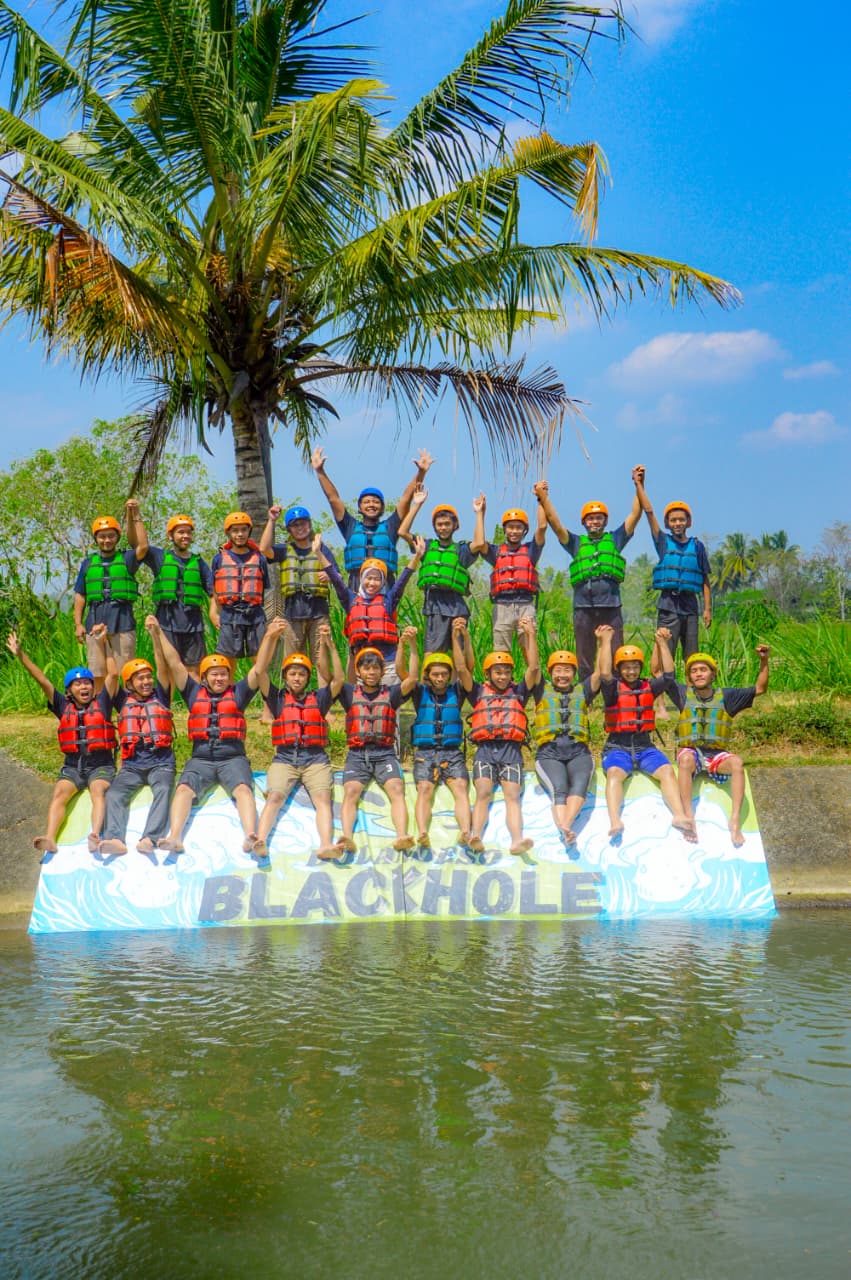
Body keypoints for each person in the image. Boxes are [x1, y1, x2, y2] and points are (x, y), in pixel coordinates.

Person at [152, 619, 275, 854]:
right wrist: (158, 633)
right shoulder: (192, 692)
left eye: (224, 674)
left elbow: (259, 669)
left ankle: (251, 835)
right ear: (204, 677)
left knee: (243, 789)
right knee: (183, 790)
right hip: (201, 759)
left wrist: (270, 636)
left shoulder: (239, 693)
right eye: (214, 675)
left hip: (233, 758)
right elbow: (174, 662)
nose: (219, 679)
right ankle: (175, 836)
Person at [7, 624, 117, 854]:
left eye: (87, 682)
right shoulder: (62, 705)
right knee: (59, 794)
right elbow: (42, 680)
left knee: (98, 791)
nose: (83, 686)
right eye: (78, 683)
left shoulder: (102, 702)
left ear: (92, 687)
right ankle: (50, 838)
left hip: (101, 764)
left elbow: (113, 674)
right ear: (69, 691)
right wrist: (20, 655)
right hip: (73, 766)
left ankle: (95, 834)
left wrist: (105, 643)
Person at [533, 472, 643, 679]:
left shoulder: (615, 539)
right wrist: (544, 497)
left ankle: (614, 690)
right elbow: (555, 524)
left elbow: (635, 515)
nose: (595, 521)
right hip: (583, 607)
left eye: (598, 518)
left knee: (616, 653)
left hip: (611, 606)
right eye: (591, 518)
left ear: (605, 521)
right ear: (584, 522)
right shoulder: (576, 543)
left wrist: (639, 485)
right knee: (585, 655)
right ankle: (587, 691)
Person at [252, 617, 345, 860]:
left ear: (307, 678)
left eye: (302, 674)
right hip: (285, 758)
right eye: (292, 674)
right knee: (275, 797)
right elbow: (259, 671)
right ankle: (260, 840)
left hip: (315, 759)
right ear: (285, 677)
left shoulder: (319, 699)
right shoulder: (277, 698)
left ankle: (326, 844)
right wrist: (270, 637)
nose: (297, 678)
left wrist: (330, 646)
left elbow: (338, 680)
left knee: (323, 799)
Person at [597, 626, 696, 842]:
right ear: (619, 669)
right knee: (614, 773)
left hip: (645, 746)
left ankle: (679, 815)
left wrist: (662, 644)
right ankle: (615, 820)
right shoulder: (612, 689)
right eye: (626, 668)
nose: (631, 672)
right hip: (617, 746)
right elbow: (604, 673)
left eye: (635, 667)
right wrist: (606, 641)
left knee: (667, 770)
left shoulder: (649, 687)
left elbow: (669, 676)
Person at [453, 615, 540, 855]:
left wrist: (530, 634)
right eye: (497, 672)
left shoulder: (519, 692)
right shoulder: (477, 692)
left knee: (512, 796)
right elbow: (461, 668)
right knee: (483, 793)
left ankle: (517, 840)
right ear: (489, 674)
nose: (502, 676)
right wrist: (459, 636)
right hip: (485, 751)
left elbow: (533, 668)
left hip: (511, 751)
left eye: (506, 672)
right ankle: (475, 835)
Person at [670, 646, 770, 847]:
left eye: (703, 670)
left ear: (713, 674)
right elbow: (660, 674)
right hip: (692, 752)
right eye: (694, 671)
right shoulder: (683, 694)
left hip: (716, 755)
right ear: (689, 677)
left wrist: (764, 661)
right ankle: (689, 815)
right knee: (686, 759)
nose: (699, 674)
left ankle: (735, 820)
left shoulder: (727, 696)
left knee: (737, 763)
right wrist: (662, 644)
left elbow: (760, 689)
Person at [99, 617, 176, 856]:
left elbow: (163, 668)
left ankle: (150, 838)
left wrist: (155, 635)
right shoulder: (122, 700)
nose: (146, 682)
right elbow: (112, 674)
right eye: (140, 678)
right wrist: (104, 643)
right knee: (114, 794)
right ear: (130, 684)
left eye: (148, 677)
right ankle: (115, 839)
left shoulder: (161, 696)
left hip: (161, 761)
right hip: (132, 763)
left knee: (164, 789)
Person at [336, 634, 419, 853]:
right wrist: (332, 646)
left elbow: (412, 679)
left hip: (384, 753)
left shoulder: (391, 694)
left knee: (396, 788)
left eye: (375, 668)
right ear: (358, 672)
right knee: (351, 791)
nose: (371, 672)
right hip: (357, 754)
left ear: (382, 671)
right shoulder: (349, 693)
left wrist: (409, 645)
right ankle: (346, 837)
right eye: (366, 668)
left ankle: (401, 836)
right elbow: (334, 676)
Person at [311, 444, 434, 589]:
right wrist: (320, 471)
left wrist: (421, 473)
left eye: (376, 502)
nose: (371, 505)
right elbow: (333, 498)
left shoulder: (390, 527)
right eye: (367, 502)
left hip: (385, 585)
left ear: (382, 507)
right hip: (357, 585)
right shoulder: (350, 526)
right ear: (359, 507)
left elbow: (406, 499)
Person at [319, 534, 425, 679]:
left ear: (382, 582)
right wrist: (318, 553)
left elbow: (403, 579)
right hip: (362, 663)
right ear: (362, 579)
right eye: (369, 578)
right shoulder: (351, 600)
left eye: (377, 579)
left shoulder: (388, 600)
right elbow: (336, 580)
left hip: (387, 662)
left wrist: (417, 556)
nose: (372, 583)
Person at [633, 468, 712, 662]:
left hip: (690, 606)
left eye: (681, 519)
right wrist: (639, 485)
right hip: (668, 606)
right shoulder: (663, 542)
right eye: (673, 520)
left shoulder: (698, 546)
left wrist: (707, 609)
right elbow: (649, 513)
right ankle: (664, 683)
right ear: (668, 523)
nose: (678, 523)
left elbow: (705, 579)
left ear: (688, 522)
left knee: (692, 656)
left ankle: (692, 682)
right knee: (665, 654)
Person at [401, 647, 473, 849]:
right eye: (435, 674)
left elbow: (465, 668)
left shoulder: (457, 691)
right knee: (424, 789)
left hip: (452, 752)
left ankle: (465, 831)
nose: (440, 678)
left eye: (444, 674)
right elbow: (405, 673)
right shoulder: (419, 692)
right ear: (428, 675)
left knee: (460, 787)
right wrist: (410, 644)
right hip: (425, 751)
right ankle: (422, 832)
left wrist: (462, 639)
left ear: (450, 675)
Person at [73, 501, 148, 692]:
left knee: (127, 671)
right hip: (95, 621)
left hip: (122, 620)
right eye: (102, 536)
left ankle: (127, 707)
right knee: (98, 672)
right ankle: (101, 708)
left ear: (117, 537)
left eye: (111, 536)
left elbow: (142, 546)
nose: (106, 540)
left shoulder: (127, 559)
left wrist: (134, 513)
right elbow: (80, 595)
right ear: (96, 538)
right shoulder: (88, 563)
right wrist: (78, 624)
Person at [532, 641, 602, 848]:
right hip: (549, 753)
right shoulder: (540, 690)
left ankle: (565, 827)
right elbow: (533, 666)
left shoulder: (583, 690)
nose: (562, 675)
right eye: (558, 670)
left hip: (578, 751)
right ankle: (566, 829)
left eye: (567, 670)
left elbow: (600, 672)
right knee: (560, 788)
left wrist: (604, 642)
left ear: (574, 673)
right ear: (550, 672)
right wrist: (531, 635)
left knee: (579, 785)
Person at [397, 486, 482, 652]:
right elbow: (402, 532)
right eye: (439, 524)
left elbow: (479, 543)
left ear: (455, 526)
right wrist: (417, 504)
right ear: (435, 527)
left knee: (459, 655)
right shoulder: (426, 546)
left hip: (457, 606)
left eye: (447, 524)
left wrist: (479, 513)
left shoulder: (461, 550)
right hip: (434, 604)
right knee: (431, 653)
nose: (443, 528)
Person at [136, 513, 214, 681]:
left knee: (194, 669)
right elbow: (140, 544)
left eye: (188, 532)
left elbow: (213, 592)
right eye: (180, 532)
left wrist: (214, 614)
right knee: (167, 668)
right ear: (170, 536)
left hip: (193, 623)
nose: (185, 536)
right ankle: (167, 700)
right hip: (167, 621)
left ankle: (195, 699)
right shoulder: (159, 557)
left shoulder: (198, 562)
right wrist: (135, 514)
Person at [258, 504, 336, 662]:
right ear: (289, 530)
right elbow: (264, 549)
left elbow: (337, 575)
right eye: (295, 525)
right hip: (293, 612)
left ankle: (322, 680)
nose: (300, 528)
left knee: (321, 660)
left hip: (319, 612)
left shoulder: (320, 549)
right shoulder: (284, 550)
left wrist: (329, 574)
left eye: (303, 523)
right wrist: (272, 520)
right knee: (293, 661)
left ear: (309, 525)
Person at [471, 495, 546, 656]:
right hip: (501, 606)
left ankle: (534, 673)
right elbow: (480, 543)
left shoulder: (531, 551)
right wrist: (480, 513)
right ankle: (502, 674)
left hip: (525, 604)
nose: (514, 531)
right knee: (501, 652)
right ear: (505, 529)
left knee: (529, 648)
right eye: (511, 527)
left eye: (518, 527)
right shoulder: (496, 552)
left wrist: (542, 499)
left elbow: (542, 527)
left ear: (524, 530)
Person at [209, 511, 270, 661]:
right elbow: (215, 591)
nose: (240, 534)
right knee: (227, 660)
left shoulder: (260, 558)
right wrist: (213, 613)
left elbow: (265, 589)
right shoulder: (219, 559)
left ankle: (259, 679)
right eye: (235, 531)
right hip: (229, 614)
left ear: (249, 531)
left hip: (255, 614)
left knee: (260, 660)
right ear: (228, 533)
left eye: (243, 530)